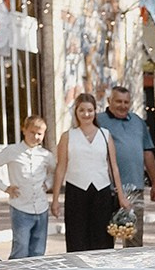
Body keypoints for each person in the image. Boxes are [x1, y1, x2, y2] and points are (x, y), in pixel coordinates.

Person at [51, 93, 131, 252]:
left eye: (89, 110)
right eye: (82, 110)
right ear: (76, 112)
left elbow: (113, 166)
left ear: (95, 111)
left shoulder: (105, 134)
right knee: (77, 238)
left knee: (102, 239)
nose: (86, 114)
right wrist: (55, 199)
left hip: (102, 192)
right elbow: (61, 168)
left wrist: (121, 196)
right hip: (76, 191)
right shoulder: (68, 136)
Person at [0, 117, 55, 259]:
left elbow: (55, 171)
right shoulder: (12, 151)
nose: (35, 137)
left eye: (39, 134)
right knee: (21, 249)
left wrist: (48, 184)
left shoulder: (46, 155)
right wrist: (5, 187)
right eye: (32, 132)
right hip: (21, 208)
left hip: (41, 208)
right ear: (24, 130)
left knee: (38, 250)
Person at [100, 83, 155, 246]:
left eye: (126, 102)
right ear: (109, 100)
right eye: (118, 101)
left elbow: (147, 153)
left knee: (133, 237)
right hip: (106, 189)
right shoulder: (98, 121)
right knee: (104, 237)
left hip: (135, 190)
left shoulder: (138, 122)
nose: (122, 106)